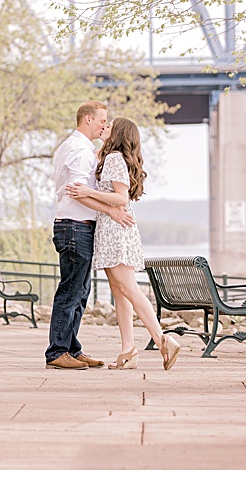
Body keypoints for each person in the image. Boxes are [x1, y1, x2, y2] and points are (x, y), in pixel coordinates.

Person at [65, 117, 182, 370]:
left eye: (109, 126)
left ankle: (162, 340)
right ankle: (128, 350)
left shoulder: (115, 158)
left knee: (128, 289)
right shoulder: (109, 157)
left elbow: (120, 197)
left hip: (115, 230)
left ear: (118, 133)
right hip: (111, 229)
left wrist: (88, 192)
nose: (104, 128)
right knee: (119, 292)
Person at [45, 102, 136, 370]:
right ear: (87, 119)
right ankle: (57, 351)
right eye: (102, 120)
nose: (105, 126)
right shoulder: (78, 150)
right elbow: (78, 191)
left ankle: (71, 348)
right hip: (75, 226)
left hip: (78, 226)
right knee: (71, 291)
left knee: (81, 291)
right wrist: (113, 211)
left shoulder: (81, 149)